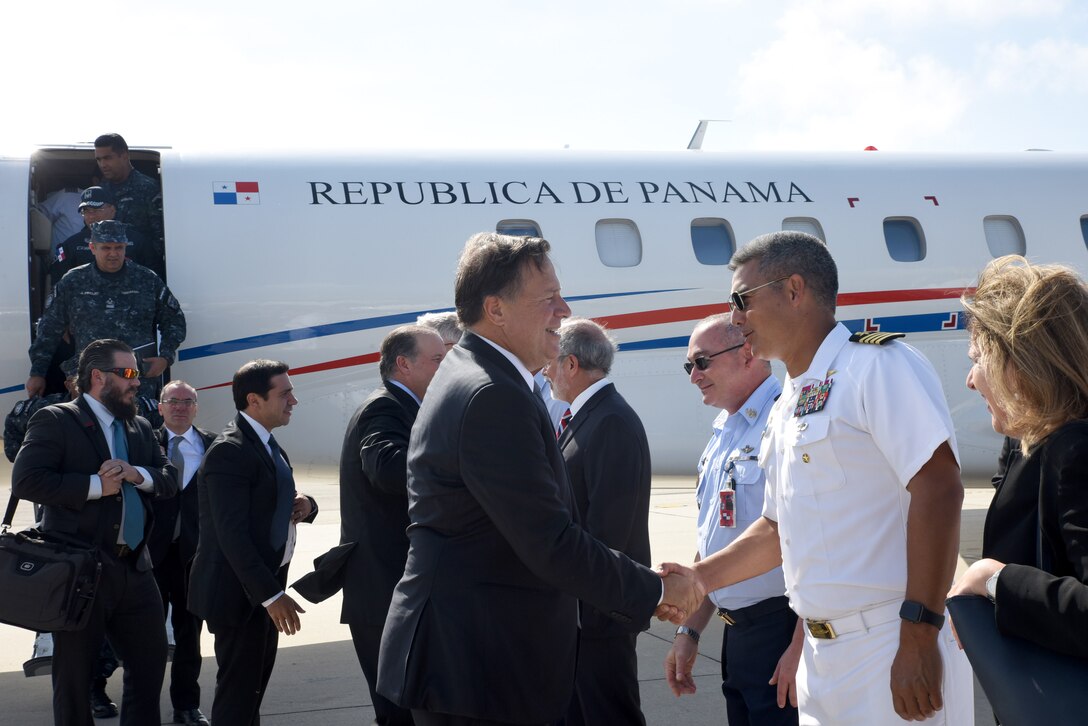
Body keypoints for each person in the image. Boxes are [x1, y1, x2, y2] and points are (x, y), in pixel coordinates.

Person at [376, 232, 702, 726]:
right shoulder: (491, 394)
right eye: (548, 299)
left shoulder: (479, 373)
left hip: (475, 660)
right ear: (496, 309)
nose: (564, 310)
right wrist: (655, 592)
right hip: (476, 669)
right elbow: (549, 541)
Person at [662, 231, 973, 724]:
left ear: (794, 290)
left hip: (889, 644)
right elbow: (777, 529)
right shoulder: (788, 400)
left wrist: (919, 635)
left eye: (741, 300)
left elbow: (938, 488)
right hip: (823, 660)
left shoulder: (875, 366)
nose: (735, 317)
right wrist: (700, 578)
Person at [11, 338, 177, 726]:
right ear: (98, 376)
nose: (138, 382)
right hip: (81, 573)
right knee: (74, 680)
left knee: (150, 667)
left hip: (134, 569)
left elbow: (170, 478)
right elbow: (26, 481)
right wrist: (95, 486)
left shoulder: (138, 425)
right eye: (129, 374)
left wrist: (138, 475)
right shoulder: (56, 420)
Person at [948, 256, 1088, 659]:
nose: (970, 380)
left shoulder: (1075, 454)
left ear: (1021, 364)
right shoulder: (1033, 443)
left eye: (978, 359)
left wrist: (996, 581)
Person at [665, 314, 800, 726]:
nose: (694, 376)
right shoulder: (725, 429)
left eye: (702, 362)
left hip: (782, 631)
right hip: (738, 637)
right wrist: (690, 630)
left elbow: (813, 540)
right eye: (689, 365)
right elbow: (715, 542)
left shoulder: (787, 421)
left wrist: (802, 645)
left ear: (746, 353)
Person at [187, 359, 319, 725]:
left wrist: (308, 505)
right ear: (254, 400)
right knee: (238, 694)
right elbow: (232, 535)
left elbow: (271, 499)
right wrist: (272, 596)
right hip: (239, 595)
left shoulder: (265, 442)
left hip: (260, 589)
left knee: (252, 691)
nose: (294, 401)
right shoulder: (230, 450)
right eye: (285, 393)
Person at [545, 317, 652, 726]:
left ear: (571, 365)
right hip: (584, 612)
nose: (546, 372)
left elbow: (611, 530)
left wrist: (586, 613)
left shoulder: (610, 422)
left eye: (552, 363)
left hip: (601, 615)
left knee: (608, 716)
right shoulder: (587, 417)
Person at [340, 325, 446, 726]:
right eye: (436, 359)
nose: (445, 366)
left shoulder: (407, 406)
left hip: (392, 587)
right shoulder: (384, 407)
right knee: (399, 714)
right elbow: (385, 468)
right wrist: (454, 463)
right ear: (403, 364)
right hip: (383, 589)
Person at [26, 219, 186, 399]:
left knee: (136, 426)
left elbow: (174, 320)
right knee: (91, 426)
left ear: (126, 247)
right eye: (106, 248)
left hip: (137, 381)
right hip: (91, 380)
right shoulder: (73, 281)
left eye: (118, 247)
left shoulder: (146, 280)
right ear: (93, 248)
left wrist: (165, 357)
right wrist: (37, 373)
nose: (113, 254)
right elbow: (49, 329)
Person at [149, 380, 216, 726]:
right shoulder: (142, 442)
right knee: (141, 634)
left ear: (196, 407)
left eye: (187, 401)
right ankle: (102, 690)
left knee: (190, 635)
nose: (180, 407)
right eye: (172, 401)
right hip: (148, 556)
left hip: (193, 557)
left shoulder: (214, 445)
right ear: (160, 407)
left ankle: (186, 706)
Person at [52, 186, 155, 283]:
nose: (91, 216)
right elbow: (58, 282)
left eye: (96, 210)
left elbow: (153, 278)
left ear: (112, 210)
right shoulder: (71, 245)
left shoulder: (137, 241)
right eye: (86, 211)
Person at [94, 132, 164, 269]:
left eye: (107, 158)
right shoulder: (101, 190)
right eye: (99, 159)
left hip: (139, 270)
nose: (102, 164)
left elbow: (160, 239)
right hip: (105, 269)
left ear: (124, 156)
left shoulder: (148, 188)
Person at [37, 185, 86, 249]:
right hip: (58, 256)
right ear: (95, 180)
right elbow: (38, 218)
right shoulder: (68, 196)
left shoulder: (102, 204)